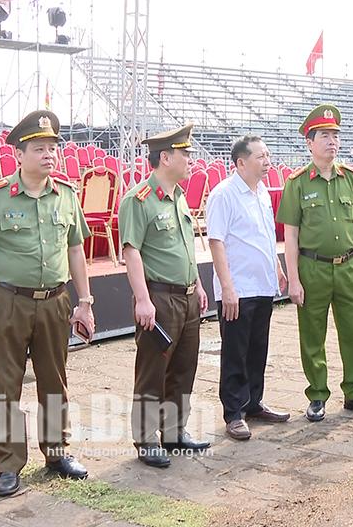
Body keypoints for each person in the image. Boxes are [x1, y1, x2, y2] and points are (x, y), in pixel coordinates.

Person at [0, 110, 95, 497]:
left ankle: (56, 452)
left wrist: (84, 303)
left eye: (53, 148)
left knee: (55, 382)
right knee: (6, 385)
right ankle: (8, 464)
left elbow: (76, 251)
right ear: (20, 154)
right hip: (7, 302)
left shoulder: (66, 196)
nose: (49, 155)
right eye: (39, 148)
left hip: (55, 302)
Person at [275, 103, 353, 422]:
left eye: (335, 135)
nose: (332, 141)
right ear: (309, 142)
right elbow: (290, 236)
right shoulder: (297, 183)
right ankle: (317, 394)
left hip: (347, 267)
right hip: (312, 268)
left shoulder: (351, 178)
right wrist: (293, 279)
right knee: (312, 333)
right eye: (324, 135)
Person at [118, 124, 210, 469]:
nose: (190, 160)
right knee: (152, 371)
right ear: (165, 157)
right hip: (158, 297)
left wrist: (198, 284)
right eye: (184, 154)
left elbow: (186, 248)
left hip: (186, 296)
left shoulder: (179, 197)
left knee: (184, 368)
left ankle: (173, 431)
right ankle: (145, 438)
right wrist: (142, 299)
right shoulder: (138, 199)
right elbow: (132, 251)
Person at [207, 135, 290, 441]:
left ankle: (253, 402)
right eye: (260, 157)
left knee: (258, 349)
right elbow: (216, 241)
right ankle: (233, 412)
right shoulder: (223, 194)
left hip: (263, 284)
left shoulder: (263, 192)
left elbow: (267, 235)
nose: (267, 161)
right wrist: (227, 288)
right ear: (241, 162)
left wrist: (278, 267)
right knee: (235, 352)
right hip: (238, 288)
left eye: (268, 155)